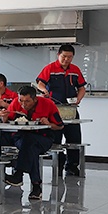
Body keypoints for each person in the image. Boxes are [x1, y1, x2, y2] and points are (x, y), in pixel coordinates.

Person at [0, 85, 64, 199]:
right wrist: (4, 117)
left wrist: (48, 124)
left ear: (35, 99)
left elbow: (60, 126)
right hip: (21, 138)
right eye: (21, 100)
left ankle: (18, 174)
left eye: (27, 101)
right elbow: (8, 119)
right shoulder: (15, 103)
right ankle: (36, 186)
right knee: (31, 148)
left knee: (29, 143)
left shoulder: (48, 104)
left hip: (43, 138)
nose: (23, 104)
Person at [36, 44, 86, 176]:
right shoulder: (50, 68)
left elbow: (82, 88)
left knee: (74, 138)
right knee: (55, 139)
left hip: (70, 110)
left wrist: (78, 99)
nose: (66, 59)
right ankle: (58, 164)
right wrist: (44, 90)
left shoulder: (75, 70)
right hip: (54, 109)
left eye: (69, 57)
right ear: (58, 55)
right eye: (64, 56)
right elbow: (40, 83)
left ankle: (72, 166)